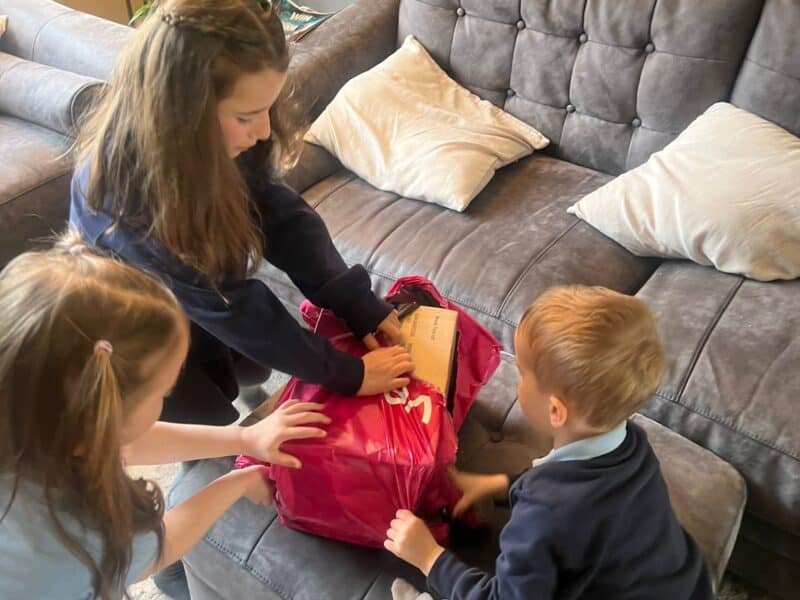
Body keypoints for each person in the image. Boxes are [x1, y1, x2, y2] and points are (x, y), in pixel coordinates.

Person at [70, 0, 413, 428]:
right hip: (137, 334)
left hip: (198, 300)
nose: (266, 130)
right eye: (248, 115)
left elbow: (282, 216)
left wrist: (355, 301)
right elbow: (234, 308)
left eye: (268, 108)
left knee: (249, 367)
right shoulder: (126, 203)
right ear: (182, 114)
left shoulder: (214, 142)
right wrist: (347, 374)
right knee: (202, 419)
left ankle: (247, 395)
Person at [0, 237, 331, 599]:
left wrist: (244, 439)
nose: (166, 398)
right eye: (162, 393)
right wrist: (234, 483)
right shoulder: (72, 532)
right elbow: (155, 551)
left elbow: (124, 439)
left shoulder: (33, 415)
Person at [385, 285, 713, 599]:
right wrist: (498, 484)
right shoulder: (632, 444)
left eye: (524, 373)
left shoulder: (545, 516)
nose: (518, 380)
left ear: (555, 410)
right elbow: (564, 484)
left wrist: (429, 558)